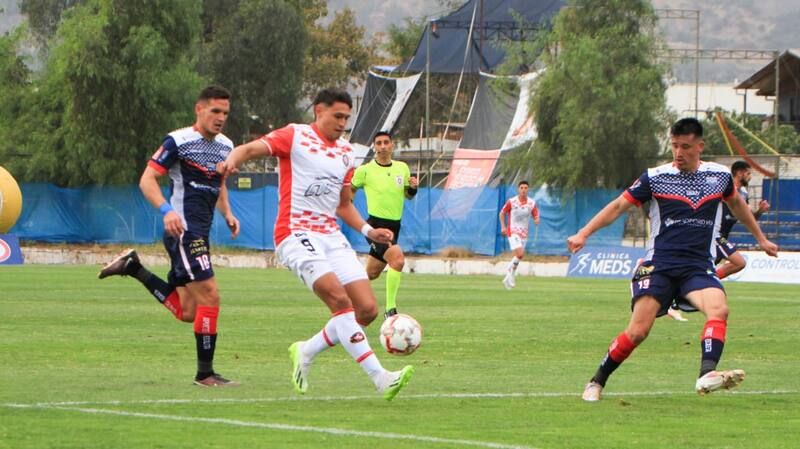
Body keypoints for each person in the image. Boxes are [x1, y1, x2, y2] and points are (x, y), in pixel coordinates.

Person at [217, 88, 413, 401]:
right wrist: (232, 159)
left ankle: (306, 350)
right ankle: (381, 378)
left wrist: (369, 230)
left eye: (347, 118)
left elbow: (343, 205)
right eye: (337, 116)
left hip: (331, 236)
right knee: (340, 301)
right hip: (295, 233)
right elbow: (252, 148)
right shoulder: (295, 136)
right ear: (318, 111)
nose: (343, 123)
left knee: (366, 310)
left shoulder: (346, 152)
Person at [567, 118, 778, 402]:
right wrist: (584, 233)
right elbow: (618, 206)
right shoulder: (655, 178)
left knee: (719, 310)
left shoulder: (719, 177)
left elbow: (738, 205)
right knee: (638, 332)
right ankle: (596, 381)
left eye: (686, 147)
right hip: (659, 266)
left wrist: (761, 238)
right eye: (675, 145)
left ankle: (707, 374)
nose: (679, 153)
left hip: (697, 267)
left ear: (700, 146)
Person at [98, 85, 241, 387]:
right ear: (199, 110)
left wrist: (227, 213)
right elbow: (147, 179)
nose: (220, 118)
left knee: (189, 311)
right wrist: (166, 210)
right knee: (210, 296)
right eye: (215, 111)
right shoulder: (178, 141)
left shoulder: (226, 145)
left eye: (225, 113)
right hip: (184, 232)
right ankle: (205, 374)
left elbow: (219, 183)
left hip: (198, 233)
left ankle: (133, 268)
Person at [350, 131, 418, 318]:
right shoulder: (365, 170)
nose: (382, 146)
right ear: (374, 147)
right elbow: (351, 188)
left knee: (371, 273)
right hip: (375, 227)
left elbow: (408, 195)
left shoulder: (402, 168)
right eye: (378, 143)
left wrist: (413, 188)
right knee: (397, 260)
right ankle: (390, 310)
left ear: (392, 145)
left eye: (386, 142)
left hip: (395, 226)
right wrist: (348, 206)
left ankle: (348, 295)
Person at [714, 160, 770, 280]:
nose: (750, 177)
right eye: (748, 173)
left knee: (711, 265)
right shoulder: (725, 188)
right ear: (739, 173)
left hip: (723, 236)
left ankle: (707, 280)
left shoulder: (743, 193)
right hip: (714, 234)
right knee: (739, 262)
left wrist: (760, 211)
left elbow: (749, 218)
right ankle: (710, 280)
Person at [498, 180, 539, 289]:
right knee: (520, 254)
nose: (523, 190)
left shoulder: (532, 203)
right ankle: (509, 270)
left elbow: (535, 214)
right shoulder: (512, 201)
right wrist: (503, 227)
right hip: (513, 231)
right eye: (521, 188)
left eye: (525, 188)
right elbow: (501, 213)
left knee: (518, 257)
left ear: (528, 189)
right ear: (518, 189)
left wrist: (536, 219)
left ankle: (510, 275)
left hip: (524, 233)